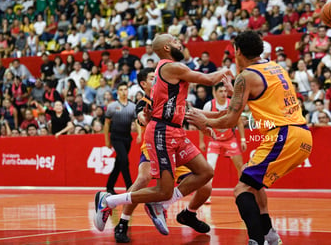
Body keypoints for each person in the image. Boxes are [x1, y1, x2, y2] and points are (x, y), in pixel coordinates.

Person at [93, 34, 232, 236]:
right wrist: (229, 71)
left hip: (175, 131)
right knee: (151, 183)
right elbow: (209, 79)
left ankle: (165, 206)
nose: (180, 42)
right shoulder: (170, 67)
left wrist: (215, 118)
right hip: (161, 132)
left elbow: (188, 109)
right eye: (176, 40)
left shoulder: (172, 77)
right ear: (167, 47)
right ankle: (111, 204)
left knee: (206, 173)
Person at [186, 31, 312, 245]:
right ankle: (270, 234)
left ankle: (256, 240)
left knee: (241, 189)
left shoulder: (246, 77)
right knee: (253, 181)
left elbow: (229, 120)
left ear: (237, 51)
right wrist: (235, 91)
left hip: (282, 135)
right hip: (302, 135)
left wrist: (203, 122)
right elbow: (262, 93)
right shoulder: (275, 67)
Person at [113, 68, 212, 242]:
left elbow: (192, 112)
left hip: (175, 145)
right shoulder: (143, 101)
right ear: (143, 84)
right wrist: (146, 118)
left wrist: (211, 123)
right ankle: (123, 222)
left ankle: (188, 214)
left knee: (205, 186)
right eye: (153, 78)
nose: (158, 80)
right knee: (143, 179)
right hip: (152, 147)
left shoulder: (171, 97)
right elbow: (142, 116)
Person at [200, 82, 246, 194]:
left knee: (240, 166)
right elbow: (202, 124)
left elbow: (239, 123)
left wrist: (243, 140)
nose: (223, 93)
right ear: (214, 92)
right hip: (215, 140)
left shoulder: (232, 104)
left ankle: (244, 192)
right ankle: (206, 194)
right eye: (220, 91)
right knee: (209, 169)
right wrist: (201, 141)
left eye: (225, 91)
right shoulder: (209, 105)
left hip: (230, 139)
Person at [104, 82, 136, 194]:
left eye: (125, 89)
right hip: (116, 137)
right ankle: (130, 186)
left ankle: (109, 187)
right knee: (124, 160)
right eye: (121, 89)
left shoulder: (133, 106)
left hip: (127, 137)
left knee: (119, 162)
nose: (123, 91)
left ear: (128, 91)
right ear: (118, 92)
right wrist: (107, 140)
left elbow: (136, 121)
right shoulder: (112, 106)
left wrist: (140, 134)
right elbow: (107, 123)